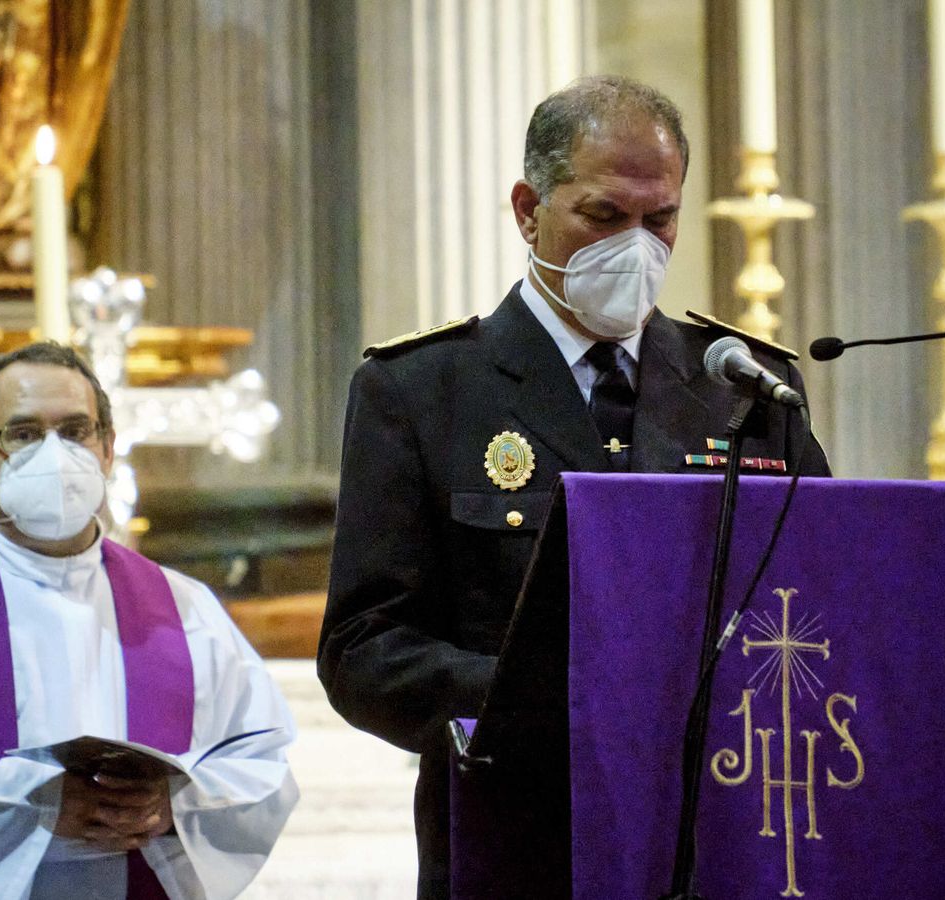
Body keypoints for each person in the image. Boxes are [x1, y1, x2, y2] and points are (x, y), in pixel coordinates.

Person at [318, 75, 831, 897]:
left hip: (718, 831)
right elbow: (362, 653)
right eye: (603, 216)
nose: (636, 245)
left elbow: (817, 604)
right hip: (515, 835)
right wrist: (553, 701)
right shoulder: (423, 390)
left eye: (659, 219)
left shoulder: (742, 385)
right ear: (529, 209)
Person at [0, 342, 299, 898]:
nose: (54, 454)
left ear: (108, 449)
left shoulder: (186, 608)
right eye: (22, 434)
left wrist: (175, 806)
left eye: (74, 430)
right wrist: (35, 804)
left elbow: (261, 766)